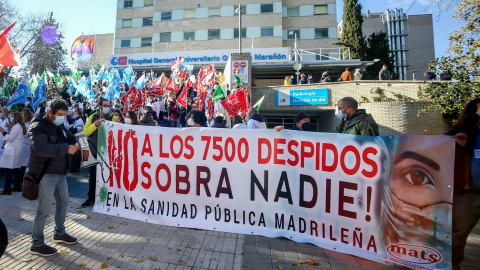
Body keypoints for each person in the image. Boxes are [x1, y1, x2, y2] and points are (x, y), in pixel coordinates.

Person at [29, 99, 79, 256]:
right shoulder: (38, 127)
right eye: (59, 115)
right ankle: (36, 243)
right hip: (45, 175)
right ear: (50, 113)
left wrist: (76, 139)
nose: (61, 118)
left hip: (60, 173)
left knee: (64, 202)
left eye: (64, 115)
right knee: (44, 210)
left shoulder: (59, 125)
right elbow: (42, 149)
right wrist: (66, 148)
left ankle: (59, 232)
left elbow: (68, 136)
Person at [446, 98, 480, 269]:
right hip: (468, 195)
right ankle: (452, 265)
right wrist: (458, 146)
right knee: (457, 235)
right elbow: (440, 157)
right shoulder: (459, 133)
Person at [81, 98, 118, 208]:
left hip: (108, 152)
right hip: (94, 150)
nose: (107, 107)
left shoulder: (114, 118)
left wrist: (118, 123)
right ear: (100, 106)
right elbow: (86, 131)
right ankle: (91, 198)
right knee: (92, 176)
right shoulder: (93, 117)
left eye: (108, 105)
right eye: (105, 105)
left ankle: (107, 197)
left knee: (108, 175)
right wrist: (95, 125)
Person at [0, 112, 26, 194]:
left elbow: (10, 138)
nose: (11, 117)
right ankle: (17, 186)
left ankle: (7, 188)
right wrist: (9, 128)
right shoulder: (19, 126)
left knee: (9, 168)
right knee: (15, 168)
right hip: (16, 148)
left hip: (13, 149)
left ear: (16, 118)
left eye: (12, 116)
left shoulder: (16, 127)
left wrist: (3, 131)